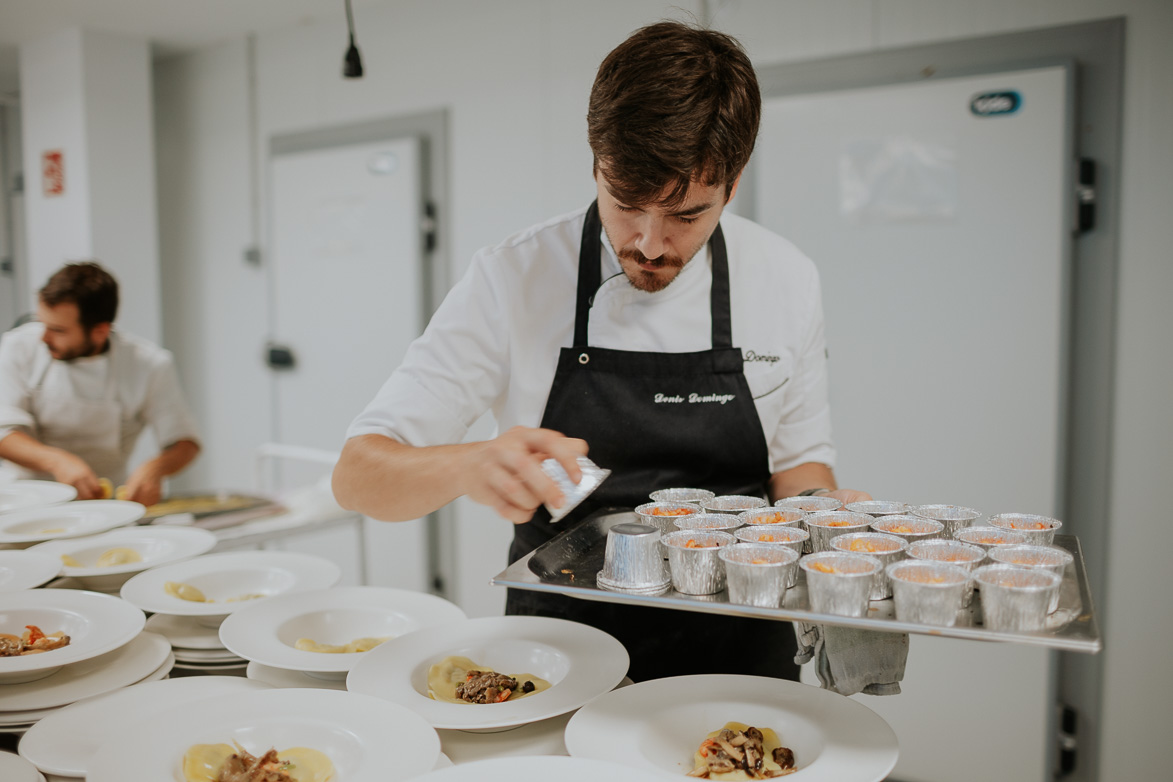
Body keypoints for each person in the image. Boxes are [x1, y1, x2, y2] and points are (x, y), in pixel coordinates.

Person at [333, 21, 870, 681]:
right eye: (624, 204)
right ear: (595, 165)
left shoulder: (785, 277)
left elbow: (798, 468)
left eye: (686, 216)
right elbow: (358, 478)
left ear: (730, 187)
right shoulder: (514, 276)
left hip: (741, 647)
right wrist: (468, 463)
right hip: (558, 654)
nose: (647, 243)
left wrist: (825, 522)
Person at [0, 262, 200, 506]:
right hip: (24, 500)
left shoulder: (149, 365)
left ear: (100, 331)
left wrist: (154, 469)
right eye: (42, 323)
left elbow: (185, 443)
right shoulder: (17, 347)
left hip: (105, 505)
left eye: (58, 330)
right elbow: (4, 434)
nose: (44, 338)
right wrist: (58, 461)